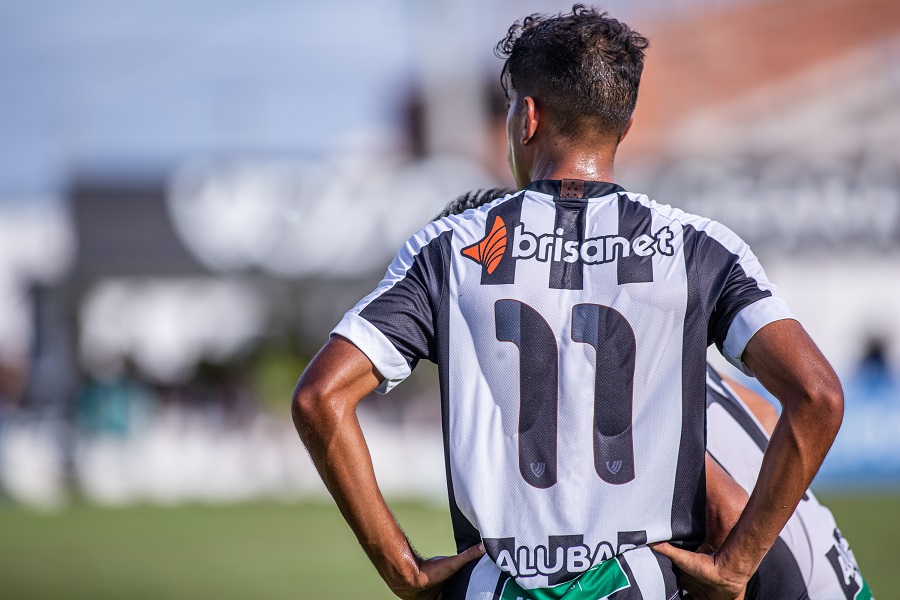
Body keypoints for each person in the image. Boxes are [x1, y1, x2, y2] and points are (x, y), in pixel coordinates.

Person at [291, 6, 844, 599]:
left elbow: (320, 397)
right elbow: (817, 397)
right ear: (622, 126)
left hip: (499, 587)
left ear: (526, 116)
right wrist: (737, 565)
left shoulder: (451, 248)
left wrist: (400, 566)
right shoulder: (700, 250)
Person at [436, 189, 873, 599]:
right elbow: (758, 413)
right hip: (835, 571)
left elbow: (727, 517)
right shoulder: (639, 343)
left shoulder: (591, 383)